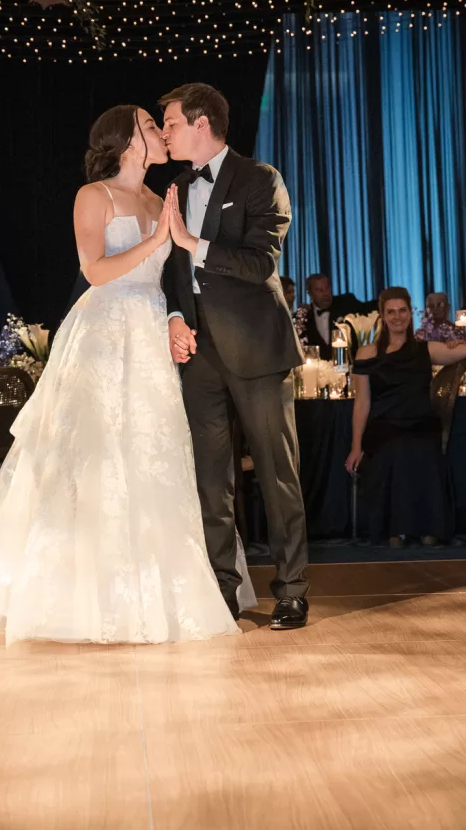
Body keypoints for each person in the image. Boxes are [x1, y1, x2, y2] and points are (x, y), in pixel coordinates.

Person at [0, 105, 245, 646]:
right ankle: (81, 593)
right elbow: (94, 271)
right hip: (103, 334)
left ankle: (152, 592)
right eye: (151, 126)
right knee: (93, 457)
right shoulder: (95, 196)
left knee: (151, 455)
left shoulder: (162, 199)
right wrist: (156, 241)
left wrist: (177, 319)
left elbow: (172, 279)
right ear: (129, 141)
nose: (160, 131)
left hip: (149, 335)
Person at [161, 82, 309, 631]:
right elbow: (173, 275)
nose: (166, 133)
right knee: (211, 478)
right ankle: (222, 590)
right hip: (199, 353)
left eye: (172, 123)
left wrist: (192, 242)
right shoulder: (175, 185)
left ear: (202, 124)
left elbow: (261, 264)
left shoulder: (260, 179)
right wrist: (176, 318)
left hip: (257, 349)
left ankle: (292, 589)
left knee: (277, 473)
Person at [346, 286, 466, 548]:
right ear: (382, 316)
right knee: (396, 447)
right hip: (383, 427)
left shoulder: (425, 349)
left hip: (421, 423)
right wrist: (355, 447)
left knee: (422, 446)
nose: (397, 317)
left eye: (402, 310)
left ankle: (428, 526)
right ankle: (399, 529)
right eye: (391, 312)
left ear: (410, 313)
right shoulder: (367, 353)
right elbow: (362, 403)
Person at [299, 274, 377, 359]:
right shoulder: (304, 316)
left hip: (350, 368)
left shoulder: (346, 303)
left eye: (327, 288)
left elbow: (368, 308)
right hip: (319, 370)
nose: (325, 293)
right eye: (319, 290)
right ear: (309, 293)